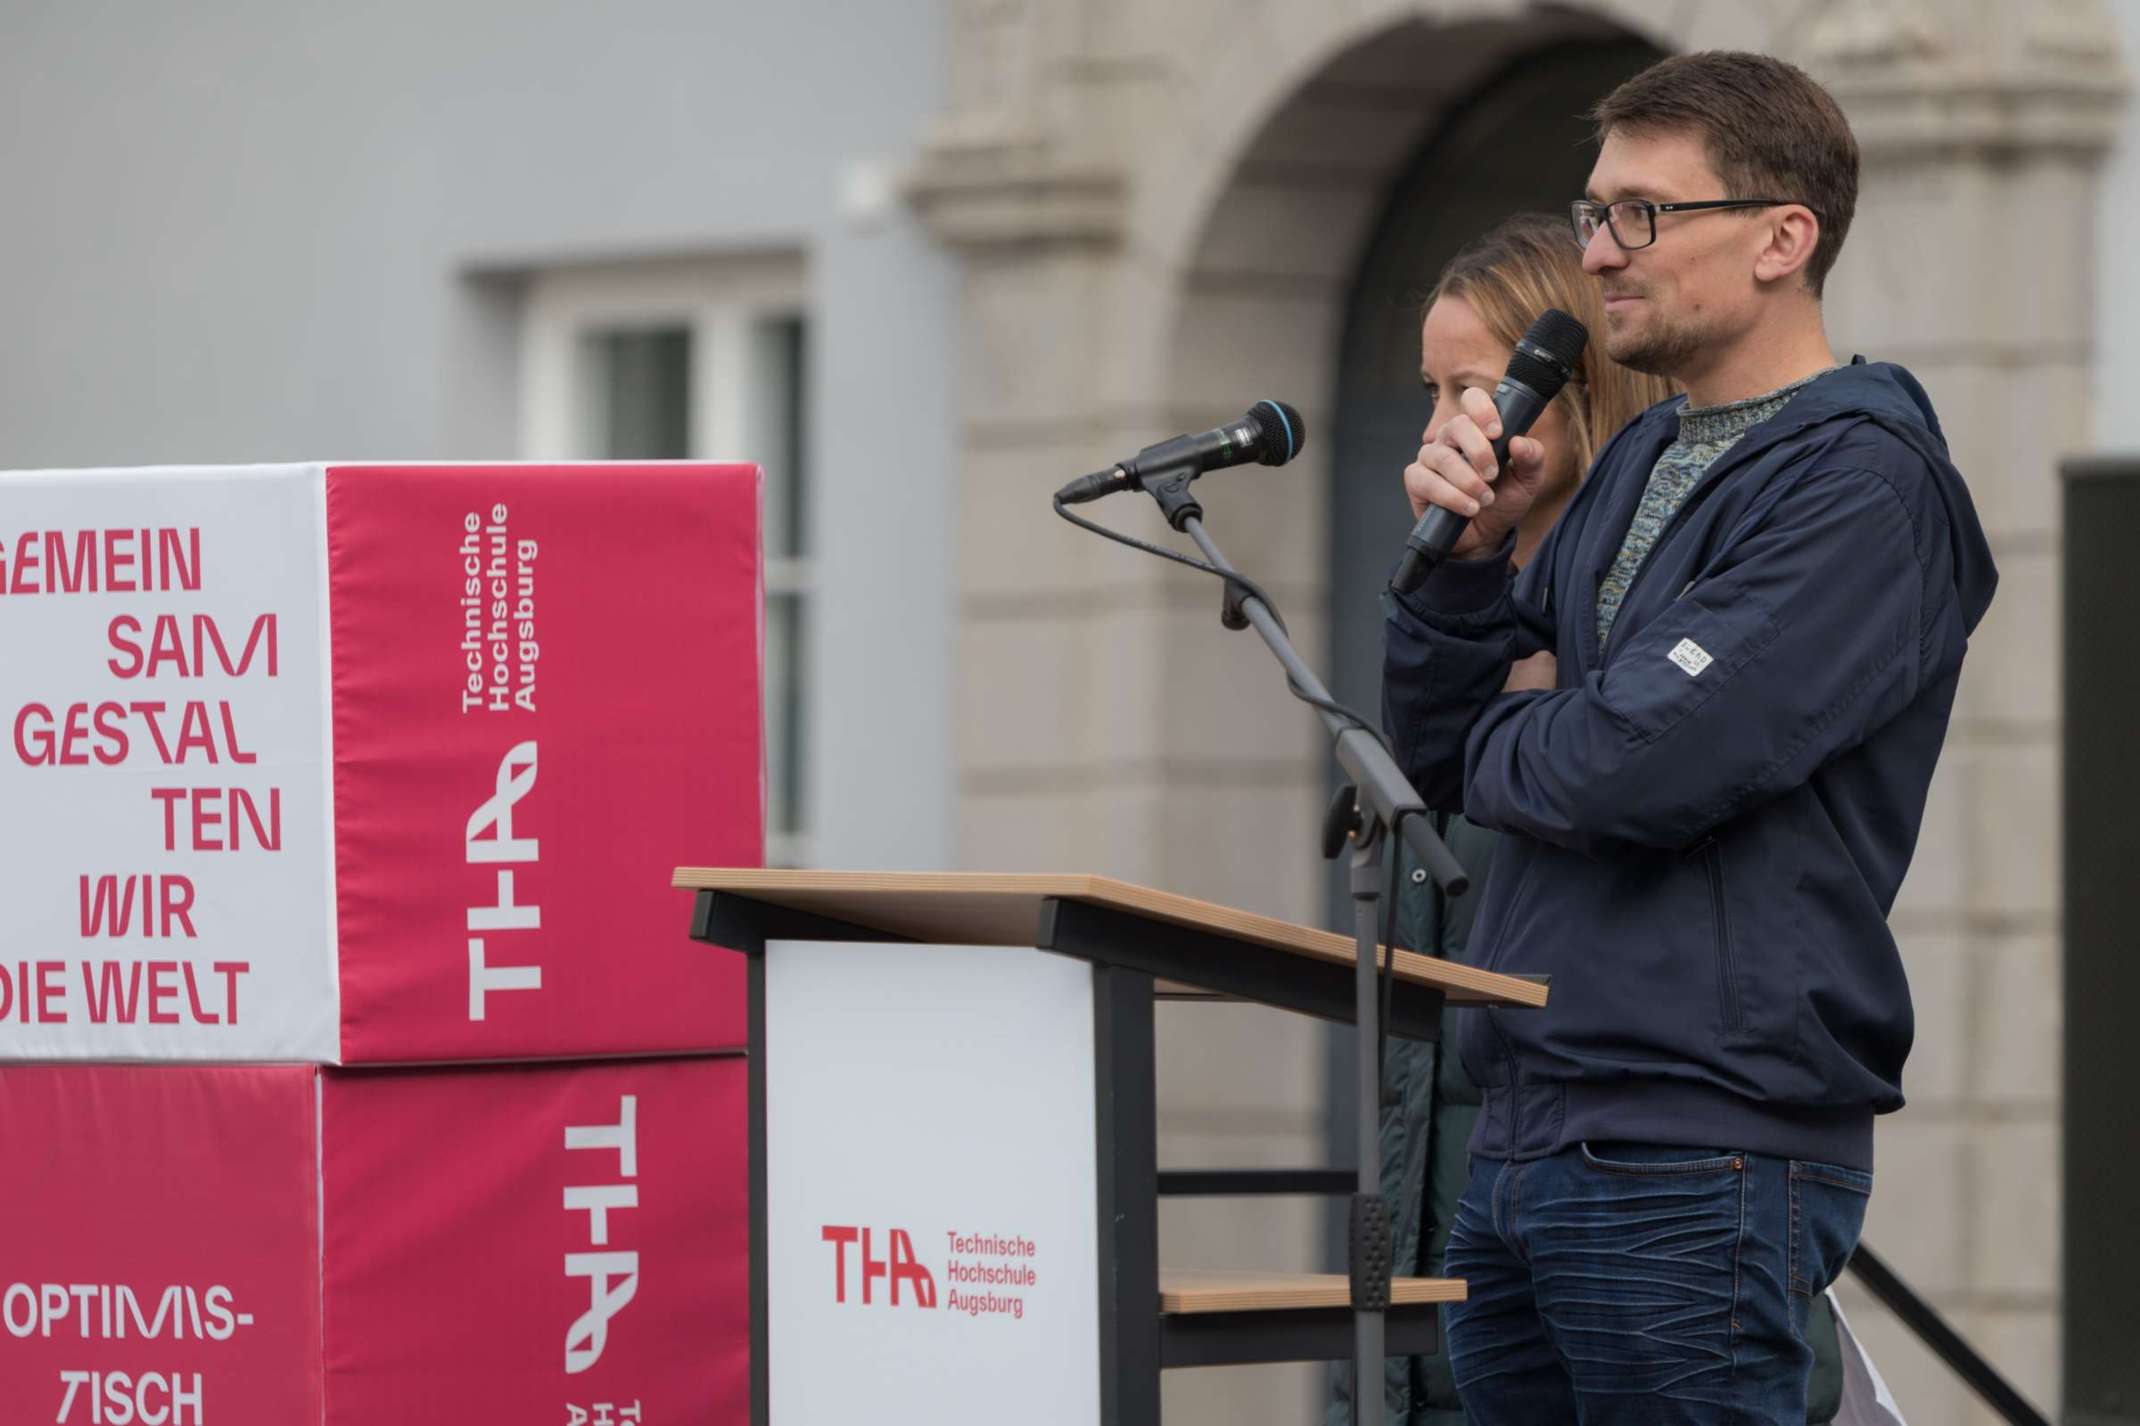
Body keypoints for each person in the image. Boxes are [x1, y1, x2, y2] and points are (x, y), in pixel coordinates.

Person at [1382, 52, 1996, 1425]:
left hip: (1695, 1142)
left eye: (1646, 215)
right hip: (1534, 1129)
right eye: (1596, 211)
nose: (1601, 252)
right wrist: (1467, 566)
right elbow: (1437, 759)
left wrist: (1524, 731)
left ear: (1786, 237)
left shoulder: (1865, 485)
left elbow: (1639, 766)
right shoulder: (1643, 469)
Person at [1327, 211, 1673, 1426]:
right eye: (1429, 393)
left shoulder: (1642, 620)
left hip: (1591, 1238)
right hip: (1442, 1258)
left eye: (1471, 390)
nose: (1438, 432)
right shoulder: (1470, 604)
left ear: (1575, 393)